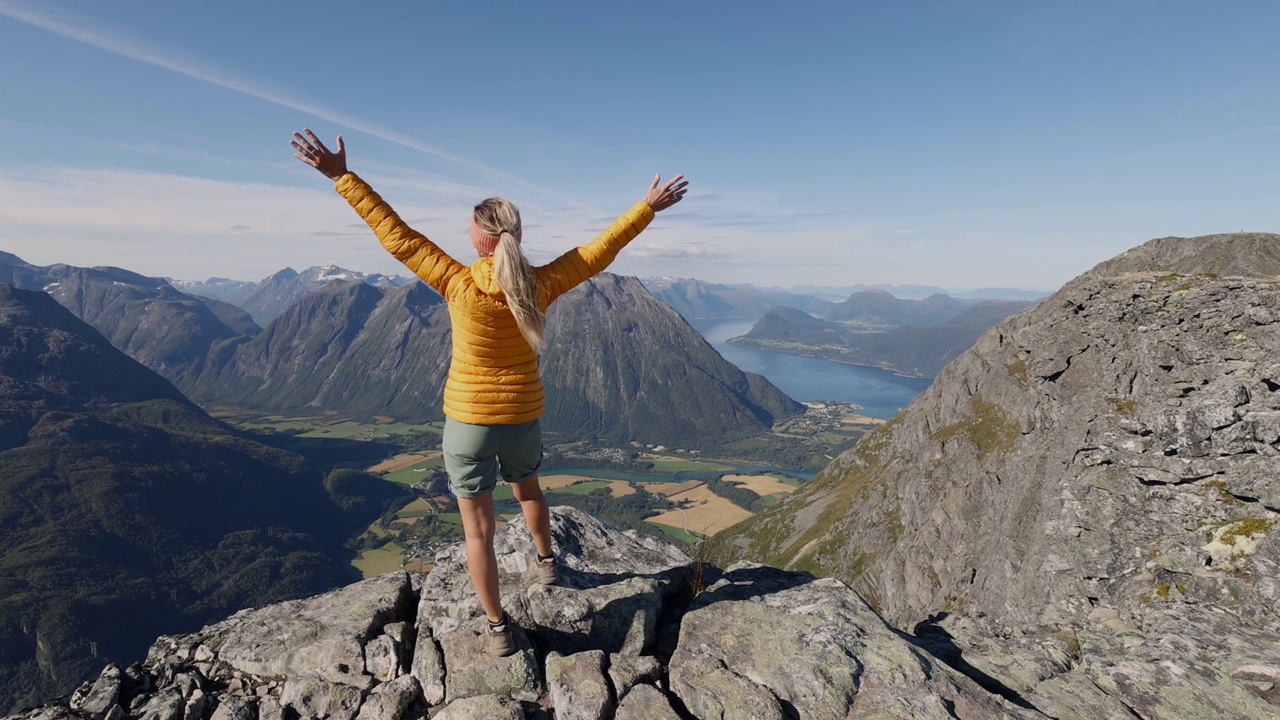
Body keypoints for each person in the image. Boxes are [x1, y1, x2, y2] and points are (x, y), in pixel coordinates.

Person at [291, 129, 688, 656]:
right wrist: (646, 208)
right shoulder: (542, 283)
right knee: (530, 491)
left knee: (478, 534)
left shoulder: (455, 281)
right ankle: (546, 564)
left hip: (467, 426)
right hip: (521, 417)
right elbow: (599, 251)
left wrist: (342, 177)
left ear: (478, 239)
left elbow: (397, 236)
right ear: (516, 237)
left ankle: (498, 629)